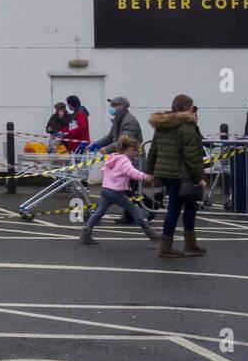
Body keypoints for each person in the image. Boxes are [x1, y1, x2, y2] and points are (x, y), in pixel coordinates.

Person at [146, 94, 208, 258]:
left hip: (165, 172)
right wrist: (200, 177)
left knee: (189, 205)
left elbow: (153, 149)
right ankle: (167, 247)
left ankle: (189, 242)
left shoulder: (162, 123)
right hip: (181, 173)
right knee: (175, 207)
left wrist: (150, 170)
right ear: (187, 107)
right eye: (192, 107)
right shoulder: (187, 126)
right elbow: (191, 155)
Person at [79, 135, 159, 245]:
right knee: (135, 212)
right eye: (136, 151)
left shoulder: (112, 157)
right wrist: (146, 177)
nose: (137, 154)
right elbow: (132, 172)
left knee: (99, 212)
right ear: (130, 149)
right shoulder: (125, 161)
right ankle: (152, 235)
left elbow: (103, 170)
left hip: (106, 189)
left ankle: (86, 234)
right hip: (116, 192)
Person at [91, 96, 148, 225]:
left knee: (130, 189)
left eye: (114, 106)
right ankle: (133, 214)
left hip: (133, 159)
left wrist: (106, 149)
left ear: (122, 106)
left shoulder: (130, 121)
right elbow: (111, 137)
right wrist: (96, 144)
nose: (112, 108)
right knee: (129, 190)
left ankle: (147, 209)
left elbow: (123, 142)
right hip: (124, 159)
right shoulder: (118, 119)